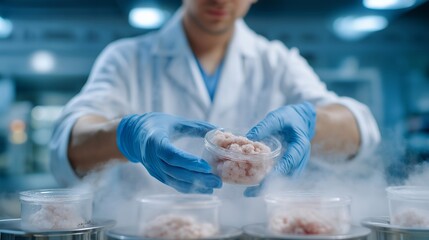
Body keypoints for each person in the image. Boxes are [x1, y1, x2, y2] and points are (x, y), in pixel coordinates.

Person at [50, 0, 380, 196]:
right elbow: (67, 145)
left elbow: (361, 133)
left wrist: (313, 120)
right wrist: (124, 135)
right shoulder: (125, 58)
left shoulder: (278, 62)